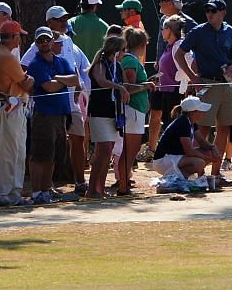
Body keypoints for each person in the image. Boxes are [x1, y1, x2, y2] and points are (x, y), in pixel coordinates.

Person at [178, 0, 232, 188]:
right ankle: (199, 173)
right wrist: (193, 77)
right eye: (207, 11)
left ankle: (216, 174)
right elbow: (179, 54)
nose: (209, 14)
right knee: (203, 129)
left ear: (223, 12)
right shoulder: (198, 32)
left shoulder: (231, 32)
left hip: (226, 85)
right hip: (206, 83)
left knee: (224, 127)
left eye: (213, 11)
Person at [24, 27, 79, 204]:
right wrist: (63, 80)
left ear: (52, 40)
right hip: (44, 115)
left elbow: (75, 80)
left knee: (54, 155)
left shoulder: (61, 61)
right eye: (40, 41)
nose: (44, 43)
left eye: (46, 39)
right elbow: (48, 87)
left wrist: (58, 78)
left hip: (60, 115)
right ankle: (36, 192)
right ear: (36, 44)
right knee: (39, 155)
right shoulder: (35, 64)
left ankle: (47, 190)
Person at [0, 21, 31, 205]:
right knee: (8, 151)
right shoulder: (5, 56)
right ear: (13, 37)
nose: (20, 39)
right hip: (8, 108)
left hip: (16, 107)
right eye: (18, 36)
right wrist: (29, 78)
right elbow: (26, 83)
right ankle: (2, 192)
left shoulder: (2, 54)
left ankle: (14, 192)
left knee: (18, 151)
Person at [83, 35, 130, 198]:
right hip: (99, 112)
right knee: (103, 150)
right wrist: (118, 87)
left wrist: (141, 86)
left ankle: (100, 189)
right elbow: (101, 81)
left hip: (113, 112)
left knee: (107, 151)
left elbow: (125, 85)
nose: (125, 53)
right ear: (116, 51)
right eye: (123, 50)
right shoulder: (100, 64)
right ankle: (91, 190)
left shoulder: (117, 66)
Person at [115, 26, 154, 195]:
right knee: (129, 150)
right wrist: (146, 85)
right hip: (132, 111)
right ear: (141, 44)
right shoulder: (130, 61)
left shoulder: (130, 59)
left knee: (131, 149)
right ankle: (123, 186)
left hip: (136, 111)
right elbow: (128, 88)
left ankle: (124, 183)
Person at [150, 95, 216, 193]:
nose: (202, 113)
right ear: (193, 112)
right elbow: (189, 151)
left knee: (209, 154)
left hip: (175, 157)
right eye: (200, 110)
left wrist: (213, 148)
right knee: (200, 162)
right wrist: (205, 158)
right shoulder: (183, 123)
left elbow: (202, 141)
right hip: (164, 160)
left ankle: (186, 178)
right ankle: (177, 179)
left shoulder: (191, 122)